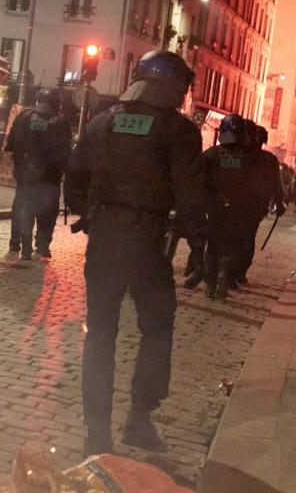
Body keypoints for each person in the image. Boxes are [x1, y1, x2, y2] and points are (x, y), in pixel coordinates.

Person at [66, 50, 203, 456]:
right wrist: (198, 245)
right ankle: (139, 419)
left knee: (100, 334)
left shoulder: (101, 122)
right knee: (157, 327)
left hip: (105, 239)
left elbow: (74, 180)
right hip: (147, 243)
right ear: (175, 87)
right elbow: (190, 195)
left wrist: (92, 213)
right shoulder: (178, 131)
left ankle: (96, 432)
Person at [6, 87, 72, 260]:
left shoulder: (23, 116)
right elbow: (65, 151)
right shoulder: (60, 121)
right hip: (49, 177)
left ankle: (17, 242)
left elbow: (10, 143)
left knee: (22, 207)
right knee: (47, 211)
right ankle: (42, 245)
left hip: (25, 174)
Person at [199, 115, 261, 300]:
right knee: (230, 247)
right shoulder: (250, 159)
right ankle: (220, 281)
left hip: (218, 209)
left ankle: (211, 284)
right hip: (236, 210)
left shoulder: (212, 154)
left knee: (214, 247)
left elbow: (199, 180)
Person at [239, 123, 286, 284]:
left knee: (241, 237)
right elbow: (276, 185)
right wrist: (280, 203)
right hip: (255, 206)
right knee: (247, 238)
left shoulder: (239, 155)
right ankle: (238, 271)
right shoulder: (269, 160)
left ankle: (233, 271)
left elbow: (276, 184)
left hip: (244, 204)